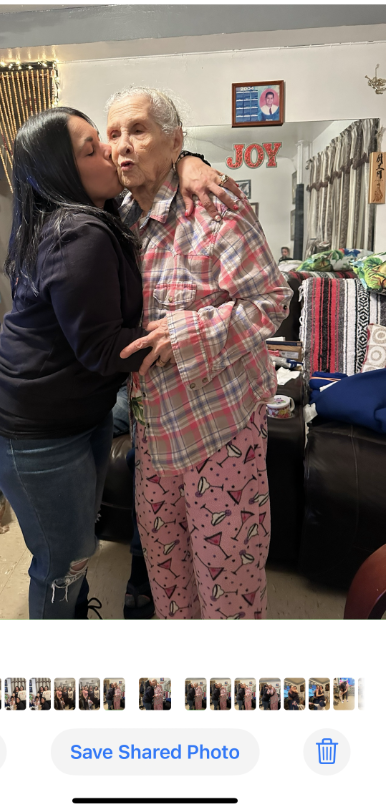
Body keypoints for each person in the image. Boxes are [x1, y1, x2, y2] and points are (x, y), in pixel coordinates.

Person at [0, 106, 238, 620]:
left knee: (80, 543)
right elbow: (102, 350)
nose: (114, 153)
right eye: (92, 148)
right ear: (61, 171)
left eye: (107, 139)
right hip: (32, 424)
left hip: (74, 409)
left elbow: (158, 172)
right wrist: (189, 331)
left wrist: (188, 159)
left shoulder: (100, 212)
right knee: (63, 560)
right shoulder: (80, 234)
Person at [108, 87, 292, 619]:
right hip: (153, 437)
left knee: (228, 594)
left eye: (138, 130)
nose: (123, 146)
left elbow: (272, 300)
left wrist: (186, 334)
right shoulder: (118, 219)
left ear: (175, 141)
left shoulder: (214, 208)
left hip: (221, 432)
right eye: (113, 134)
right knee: (169, 589)